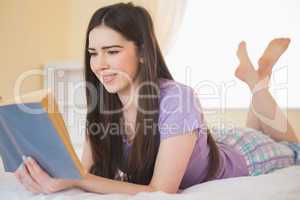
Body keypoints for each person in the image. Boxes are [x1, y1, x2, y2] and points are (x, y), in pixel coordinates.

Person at [14, 2, 299, 195]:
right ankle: (258, 78)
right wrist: (51, 174)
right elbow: (86, 171)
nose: (99, 64)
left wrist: (78, 179)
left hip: (243, 155)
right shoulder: (101, 102)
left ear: (141, 51)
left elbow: (161, 191)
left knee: (292, 147)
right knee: (255, 126)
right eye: (93, 53)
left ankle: (256, 81)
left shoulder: (177, 99)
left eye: (112, 51)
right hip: (207, 143)